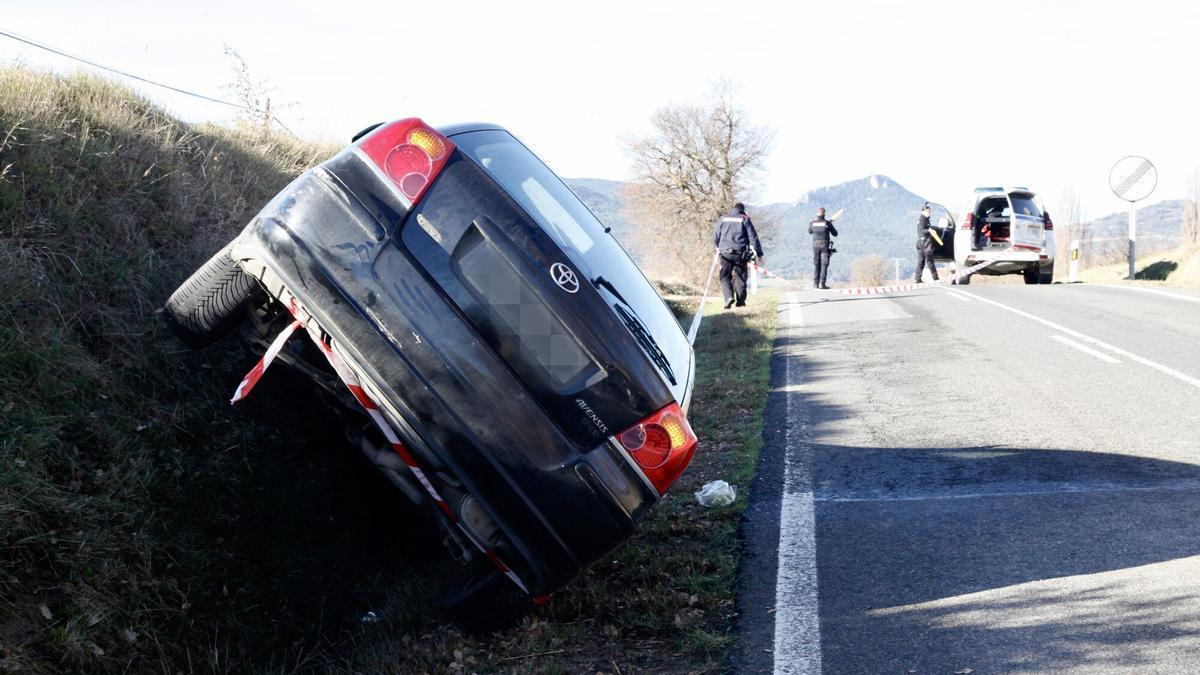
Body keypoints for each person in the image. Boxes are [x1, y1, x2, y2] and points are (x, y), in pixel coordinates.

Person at [712, 202, 764, 309]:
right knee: (741, 277)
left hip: (725, 253)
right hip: (741, 254)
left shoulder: (723, 218)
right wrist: (760, 254)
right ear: (743, 210)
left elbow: (715, 236)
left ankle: (728, 297)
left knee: (724, 276)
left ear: (733, 209)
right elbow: (753, 238)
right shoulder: (745, 219)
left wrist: (718, 246)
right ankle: (740, 303)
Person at [808, 207, 838, 289]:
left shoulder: (812, 223)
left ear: (817, 214)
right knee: (824, 265)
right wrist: (830, 225)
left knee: (816, 264)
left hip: (815, 246)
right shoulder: (827, 223)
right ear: (824, 214)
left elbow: (809, 231)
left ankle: (815, 284)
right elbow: (835, 234)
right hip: (824, 246)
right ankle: (822, 284)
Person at [915, 203, 940, 283]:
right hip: (925, 243)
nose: (929, 213)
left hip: (921, 243)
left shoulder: (925, 219)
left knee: (921, 262)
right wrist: (929, 230)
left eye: (929, 211)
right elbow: (921, 231)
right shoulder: (923, 219)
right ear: (923, 211)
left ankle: (918, 279)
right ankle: (936, 279)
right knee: (930, 261)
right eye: (927, 211)